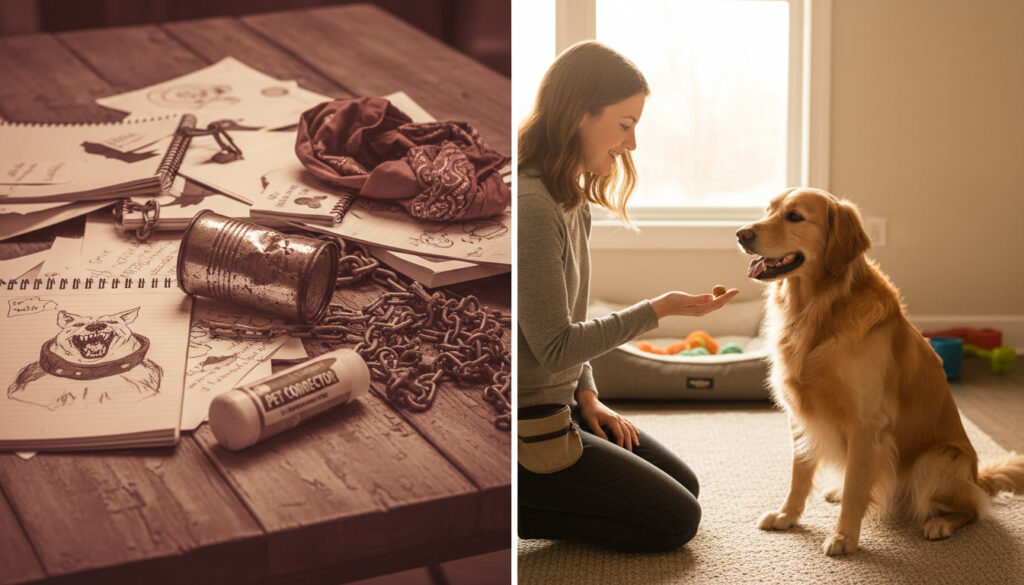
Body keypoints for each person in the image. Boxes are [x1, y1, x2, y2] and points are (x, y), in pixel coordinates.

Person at [517, 41, 740, 552]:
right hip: (527, 419)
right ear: (579, 113)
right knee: (677, 523)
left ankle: (554, 473)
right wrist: (658, 309)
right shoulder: (532, 206)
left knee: (688, 487)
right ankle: (523, 502)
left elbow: (565, 320)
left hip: (564, 401)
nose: (632, 144)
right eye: (625, 124)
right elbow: (553, 345)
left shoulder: (570, 198)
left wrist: (587, 395)